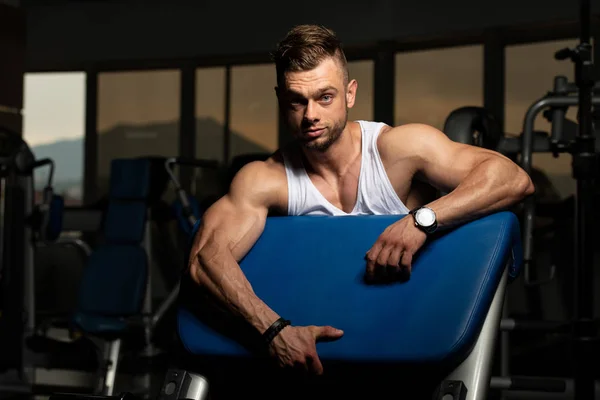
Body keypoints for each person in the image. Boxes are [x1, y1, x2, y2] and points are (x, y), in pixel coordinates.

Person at [185, 24, 534, 377]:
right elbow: (205, 261)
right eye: (297, 101)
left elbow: (512, 179)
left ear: (350, 94)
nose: (310, 116)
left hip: (410, 346)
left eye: (325, 97)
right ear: (281, 99)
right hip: (319, 360)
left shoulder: (399, 150)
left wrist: (420, 221)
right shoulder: (266, 178)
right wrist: (274, 331)